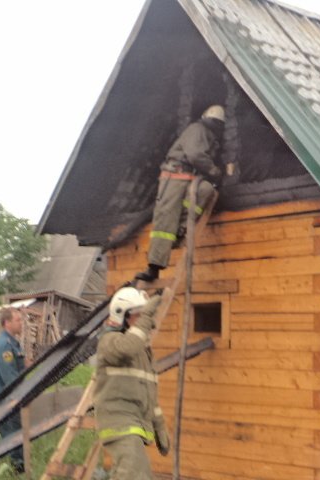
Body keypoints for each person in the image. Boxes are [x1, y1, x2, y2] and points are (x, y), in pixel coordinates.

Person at [136, 105, 226, 282]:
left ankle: (180, 229)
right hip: (175, 176)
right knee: (166, 218)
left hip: (190, 179)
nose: (215, 126)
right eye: (215, 122)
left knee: (206, 190)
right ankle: (153, 268)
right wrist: (215, 171)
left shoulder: (209, 136)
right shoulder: (197, 129)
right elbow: (195, 155)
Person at [94, 286, 170, 479]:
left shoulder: (142, 353)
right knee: (134, 475)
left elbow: (149, 392)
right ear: (123, 316)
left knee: (140, 474)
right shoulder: (109, 342)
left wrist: (159, 423)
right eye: (138, 315)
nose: (143, 321)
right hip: (118, 422)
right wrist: (147, 316)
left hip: (134, 422)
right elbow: (127, 348)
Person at [0, 307, 26, 473]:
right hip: (5, 398)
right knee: (12, 434)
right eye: (18, 320)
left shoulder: (12, 342)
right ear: (7, 323)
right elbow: (9, 376)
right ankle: (17, 470)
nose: (21, 323)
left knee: (16, 431)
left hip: (11, 396)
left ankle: (18, 467)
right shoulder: (4, 344)